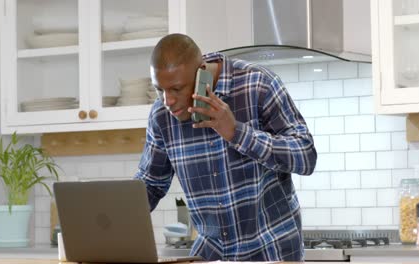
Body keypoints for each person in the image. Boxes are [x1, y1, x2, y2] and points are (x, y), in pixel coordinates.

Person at [134, 33, 317, 261]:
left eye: (176, 89)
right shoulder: (161, 115)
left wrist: (236, 132)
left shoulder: (258, 84)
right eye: (160, 90)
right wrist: (112, 219)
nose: (167, 101)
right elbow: (150, 185)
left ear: (202, 72)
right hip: (211, 256)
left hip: (272, 253)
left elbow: (306, 156)